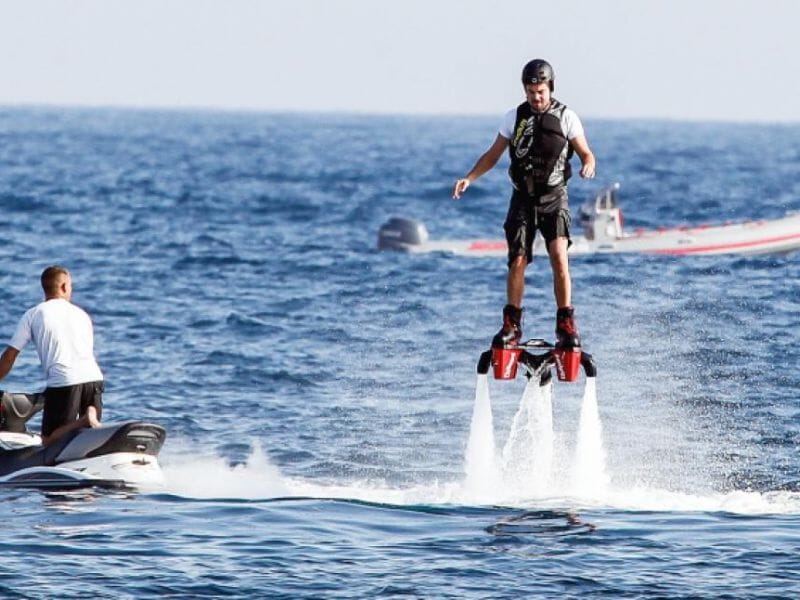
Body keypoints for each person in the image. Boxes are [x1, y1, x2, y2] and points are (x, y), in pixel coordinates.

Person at [452, 58, 596, 348]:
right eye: (531, 91)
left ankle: (565, 324)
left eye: (540, 91)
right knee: (517, 260)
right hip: (522, 197)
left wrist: (588, 165)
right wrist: (470, 178)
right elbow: (493, 154)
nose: (536, 97)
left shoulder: (567, 117)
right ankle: (512, 325)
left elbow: (586, 153)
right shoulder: (513, 118)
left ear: (550, 88)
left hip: (554, 197)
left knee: (559, 256)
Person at [0, 266, 103, 446]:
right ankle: (87, 424)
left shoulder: (34, 314)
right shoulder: (82, 315)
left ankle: (84, 420)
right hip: (94, 379)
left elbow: (9, 357)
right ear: (63, 286)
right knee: (85, 437)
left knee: (48, 441)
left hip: (64, 382)